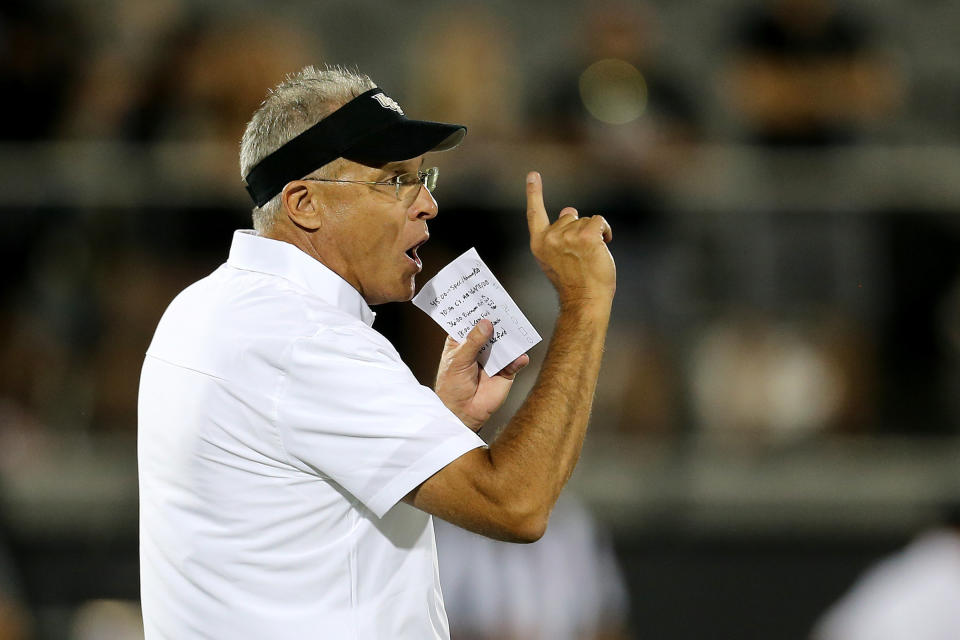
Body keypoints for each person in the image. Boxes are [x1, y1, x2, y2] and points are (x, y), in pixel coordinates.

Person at [137, 64, 615, 639]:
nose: (427, 205)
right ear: (305, 203)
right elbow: (516, 504)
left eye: (423, 178)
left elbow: (296, 505)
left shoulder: (201, 306)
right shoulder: (311, 342)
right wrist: (585, 307)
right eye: (393, 181)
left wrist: (437, 423)